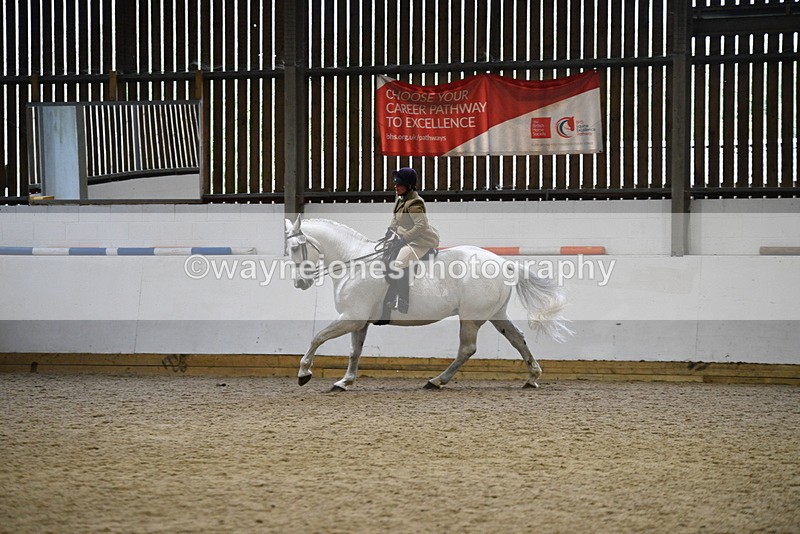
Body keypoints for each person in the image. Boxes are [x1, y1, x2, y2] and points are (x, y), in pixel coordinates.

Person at [377, 167, 439, 321]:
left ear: (409, 186)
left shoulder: (415, 203)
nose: (396, 187)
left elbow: (421, 226)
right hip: (406, 237)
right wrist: (390, 230)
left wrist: (404, 239)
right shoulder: (400, 198)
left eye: (399, 184)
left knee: (398, 264)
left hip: (420, 241)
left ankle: (403, 299)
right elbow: (396, 217)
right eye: (395, 184)